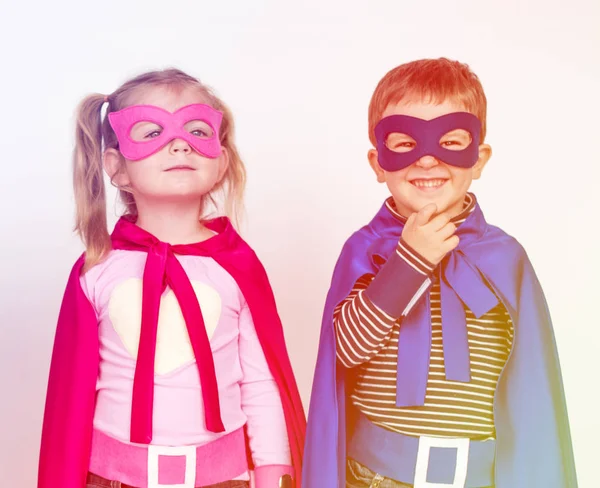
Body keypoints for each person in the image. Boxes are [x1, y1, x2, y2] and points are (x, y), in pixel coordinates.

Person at [302, 58, 577, 487]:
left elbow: (530, 391)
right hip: (376, 476)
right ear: (378, 163)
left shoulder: (505, 258)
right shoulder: (366, 250)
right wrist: (408, 262)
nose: (427, 160)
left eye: (449, 141)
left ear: (480, 158)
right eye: (405, 143)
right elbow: (347, 352)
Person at [38, 68, 305, 488]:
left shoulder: (236, 266)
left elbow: (259, 380)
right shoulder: (98, 267)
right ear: (117, 167)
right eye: (150, 132)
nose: (179, 142)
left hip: (224, 479)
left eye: (197, 129)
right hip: (112, 479)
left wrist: (275, 471)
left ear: (221, 161)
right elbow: (73, 398)